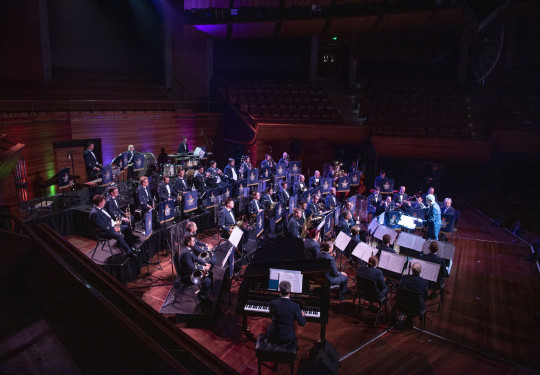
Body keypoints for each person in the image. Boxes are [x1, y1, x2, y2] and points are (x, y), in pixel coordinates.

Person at [266, 280, 306, 345]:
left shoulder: (273, 303)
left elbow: (271, 316)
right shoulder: (295, 306)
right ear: (290, 291)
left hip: (272, 334)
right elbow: (302, 323)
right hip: (287, 337)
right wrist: (301, 315)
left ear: (279, 291)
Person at [176, 235, 211, 302]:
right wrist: (203, 267)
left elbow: (195, 258)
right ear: (189, 243)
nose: (195, 242)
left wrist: (204, 263)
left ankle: (203, 291)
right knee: (207, 281)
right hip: (186, 276)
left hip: (189, 270)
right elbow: (192, 268)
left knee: (209, 274)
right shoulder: (186, 253)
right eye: (193, 241)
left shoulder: (188, 249)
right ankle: (202, 295)